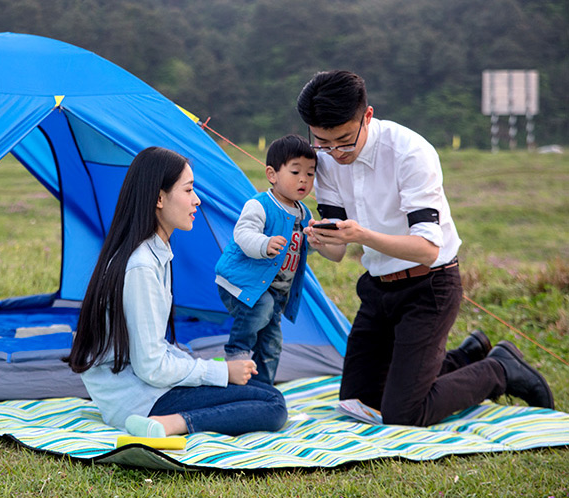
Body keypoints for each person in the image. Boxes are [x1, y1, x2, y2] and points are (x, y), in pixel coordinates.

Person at [295, 70, 554, 427]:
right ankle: (465, 358)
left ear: (367, 116)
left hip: (429, 288)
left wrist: (361, 235)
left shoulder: (409, 152)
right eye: (323, 142)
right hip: (377, 290)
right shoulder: (322, 161)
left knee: (404, 414)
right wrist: (318, 238)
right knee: (359, 402)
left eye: (344, 141)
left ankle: (499, 370)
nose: (335, 153)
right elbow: (337, 254)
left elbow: (428, 249)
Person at [69, 146, 288, 438]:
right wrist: (221, 372)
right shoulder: (141, 266)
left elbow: (153, 352)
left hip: (146, 388)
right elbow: (151, 367)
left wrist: (215, 370)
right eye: (188, 190)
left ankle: (173, 418)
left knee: (262, 391)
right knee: (273, 405)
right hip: (139, 399)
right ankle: (170, 424)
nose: (197, 200)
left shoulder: (154, 252)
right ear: (159, 198)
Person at [215, 135, 316, 384]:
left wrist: (314, 240)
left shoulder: (304, 214)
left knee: (272, 343)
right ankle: (235, 354)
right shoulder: (260, 204)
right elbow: (243, 234)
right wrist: (264, 244)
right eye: (295, 171)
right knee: (261, 307)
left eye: (311, 174)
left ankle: (263, 387)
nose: (304, 179)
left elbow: (300, 249)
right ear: (272, 174)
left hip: (275, 291)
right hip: (243, 283)